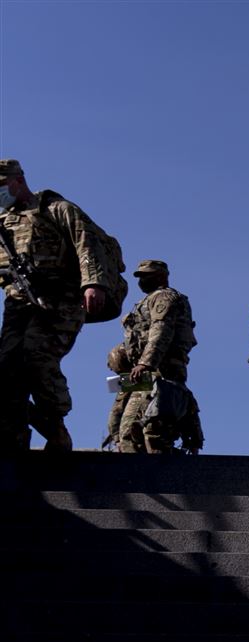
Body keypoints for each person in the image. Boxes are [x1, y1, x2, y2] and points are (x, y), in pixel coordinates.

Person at [0, 159, 124, 453]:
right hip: (18, 304)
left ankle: (56, 426)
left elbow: (87, 243)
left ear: (19, 180)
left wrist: (93, 283)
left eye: (1, 185)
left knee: (36, 355)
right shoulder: (3, 224)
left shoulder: (55, 208)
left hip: (61, 298)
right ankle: (13, 438)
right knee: (5, 369)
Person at [111, 260, 202, 454]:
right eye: (140, 276)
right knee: (127, 426)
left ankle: (150, 470)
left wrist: (145, 363)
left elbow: (161, 331)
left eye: (147, 275)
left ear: (162, 276)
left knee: (141, 431)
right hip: (145, 374)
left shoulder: (163, 297)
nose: (142, 280)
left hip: (158, 373)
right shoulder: (148, 301)